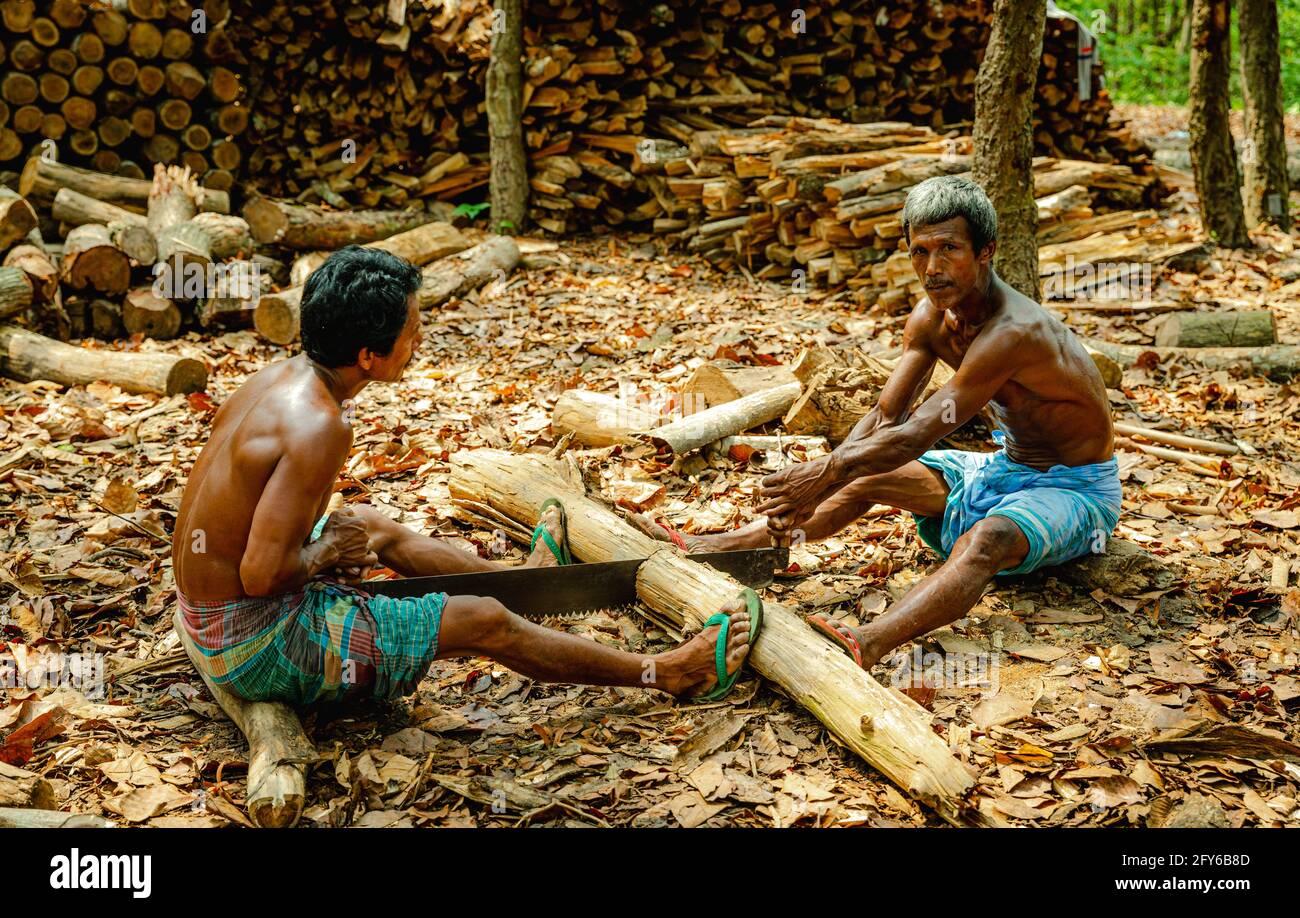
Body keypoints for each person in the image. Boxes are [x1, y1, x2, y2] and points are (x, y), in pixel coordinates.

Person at [173, 245, 760, 706]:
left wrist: (328, 545)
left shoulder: (277, 379)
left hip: (208, 613)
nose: (420, 337)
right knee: (484, 622)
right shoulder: (320, 424)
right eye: (412, 329)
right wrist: (325, 551)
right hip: (253, 643)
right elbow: (261, 575)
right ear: (368, 357)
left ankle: (524, 582)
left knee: (373, 527)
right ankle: (672, 674)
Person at [633, 176, 1119, 670]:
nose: (933, 268)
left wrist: (821, 475)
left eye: (950, 248)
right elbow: (887, 416)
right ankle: (714, 547)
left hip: (1076, 488)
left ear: (986, 250)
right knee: (862, 475)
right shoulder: (932, 319)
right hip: (1003, 467)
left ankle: (863, 642)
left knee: (985, 540)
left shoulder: (1014, 331)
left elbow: (914, 434)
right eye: (919, 251)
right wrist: (818, 482)